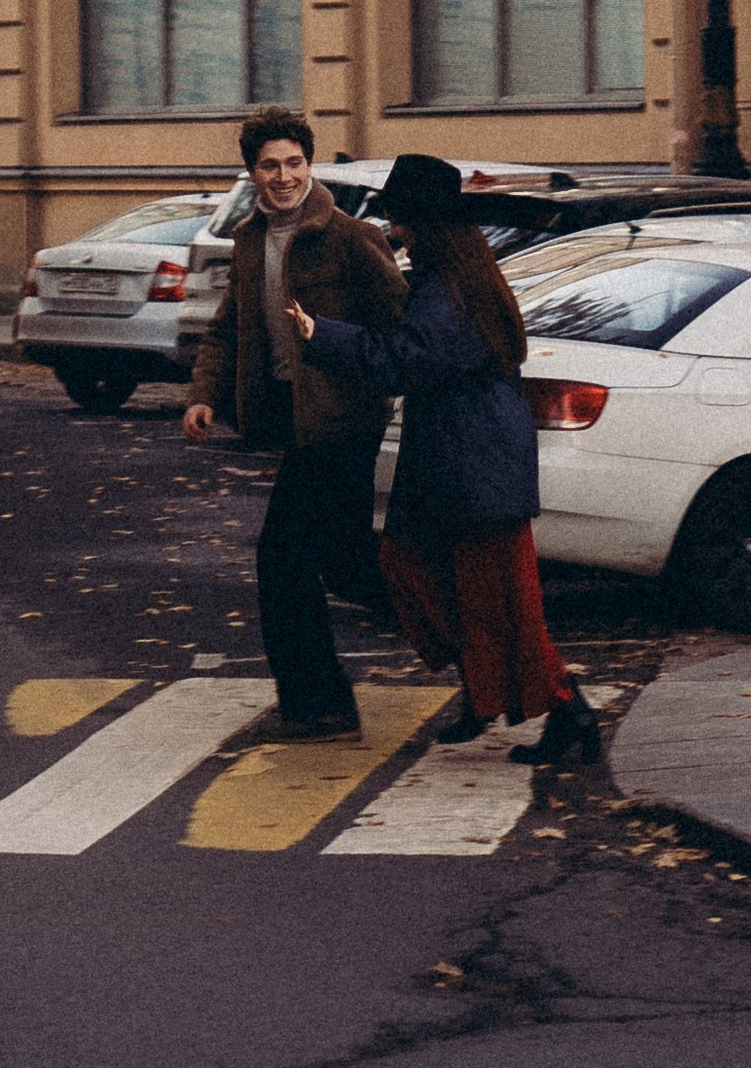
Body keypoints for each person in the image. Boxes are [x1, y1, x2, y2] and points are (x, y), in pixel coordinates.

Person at [291, 150, 601, 769]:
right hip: (459, 463)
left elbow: (404, 363)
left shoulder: (448, 289)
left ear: (422, 221)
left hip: (475, 469)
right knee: (417, 571)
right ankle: (483, 692)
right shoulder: (454, 274)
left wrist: (320, 335)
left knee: (501, 602)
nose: (391, 228)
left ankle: (571, 714)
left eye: (397, 217)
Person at [183, 107, 407, 740]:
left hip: (344, 421)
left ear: (310, 164)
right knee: (347, 562)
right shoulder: (253, 238)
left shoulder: (349, 238)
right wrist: (204, 392)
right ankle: (473, 635)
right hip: (292, 420)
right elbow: (230, 323)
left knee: (281, 560)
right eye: (269, 165)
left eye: (294, 163)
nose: (283, 177)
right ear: (251, 171)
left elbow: (396, 331)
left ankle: (319, 706)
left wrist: (340, 353)